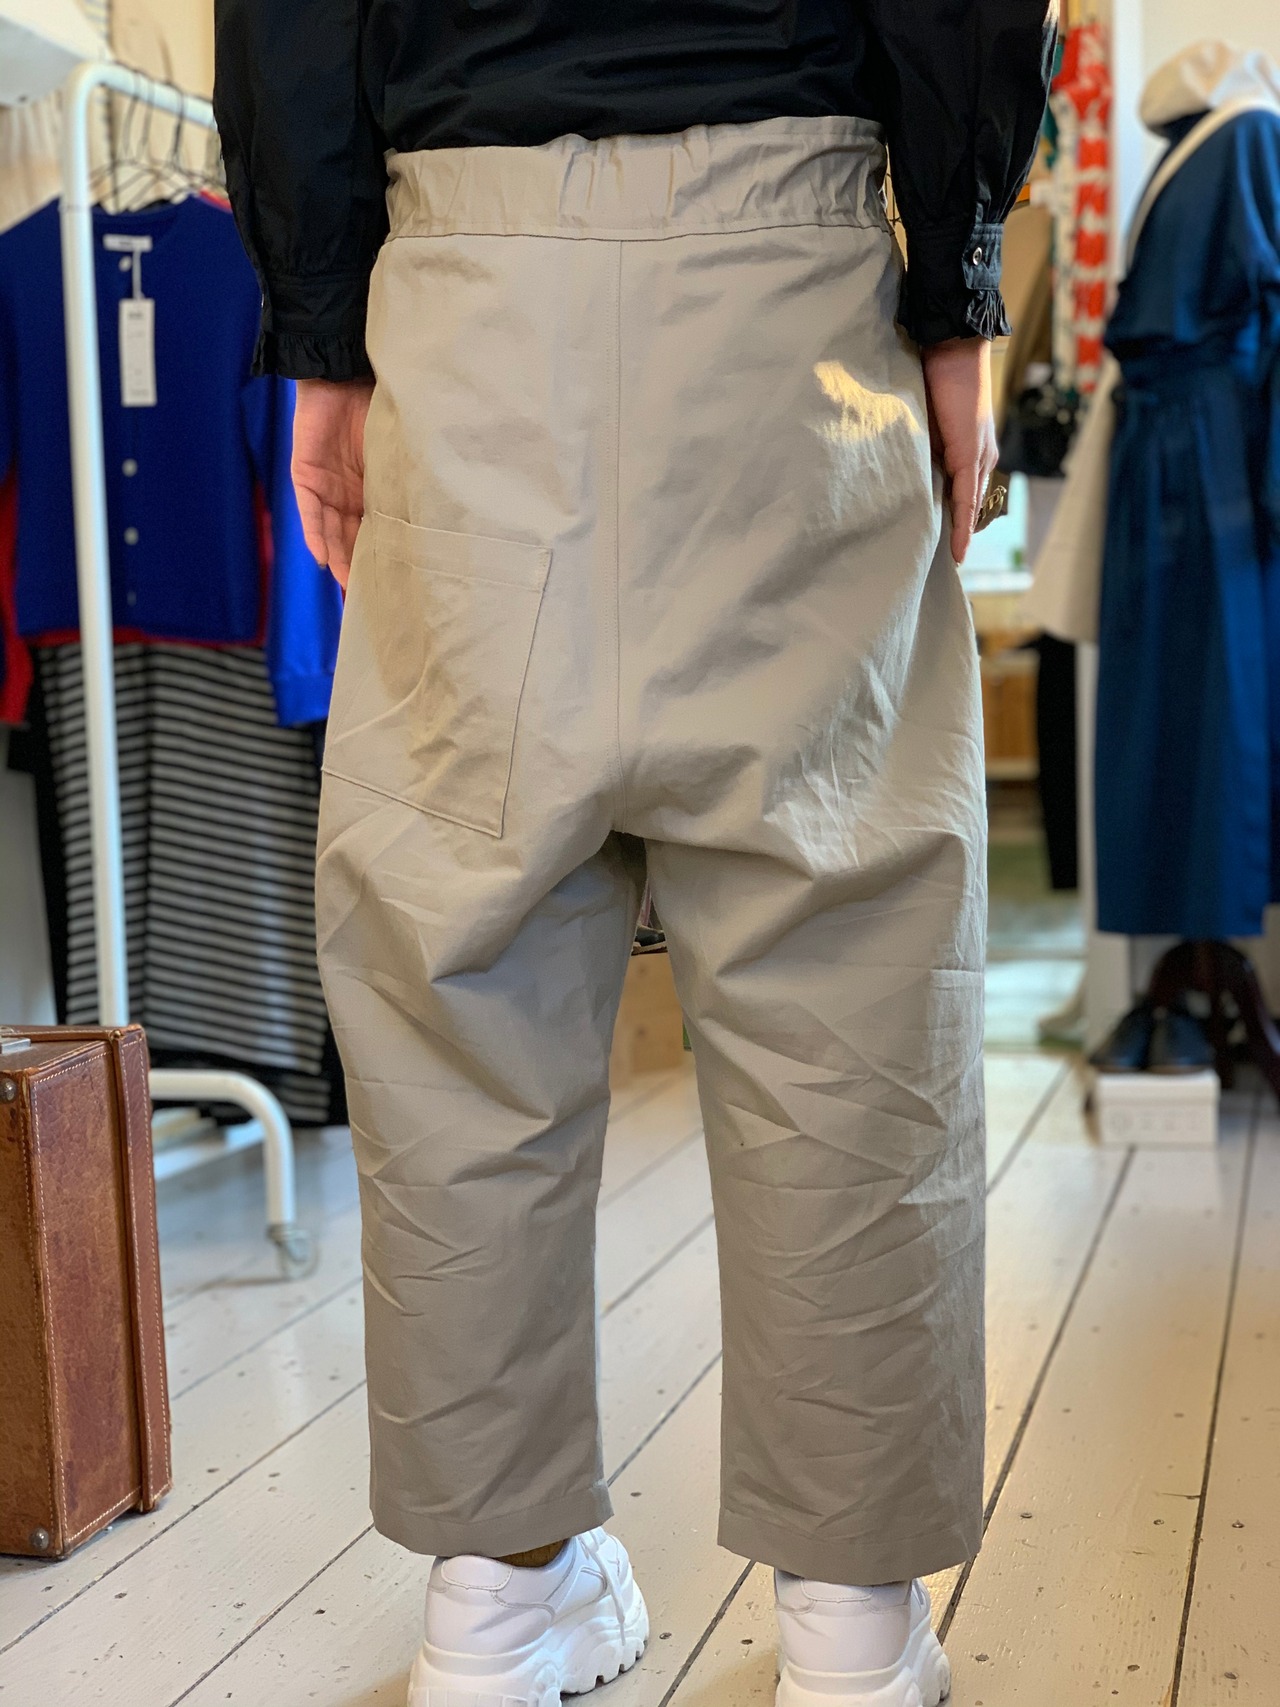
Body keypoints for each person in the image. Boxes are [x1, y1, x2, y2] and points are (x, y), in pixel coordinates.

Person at [214, 6, 1054, 1704]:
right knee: (845, 970)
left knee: (458, 983)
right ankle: (851, 1624)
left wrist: (321, 331)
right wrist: (956, 290)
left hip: (467, 301)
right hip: (789, 294)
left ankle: (495, 1600)